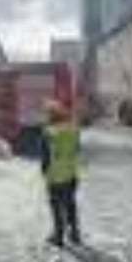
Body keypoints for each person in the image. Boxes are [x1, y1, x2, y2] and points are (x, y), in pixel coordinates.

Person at [41, 100, 81, 247]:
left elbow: (44, 157)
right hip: (71, 173)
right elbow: (77, 150)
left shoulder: (48, 132)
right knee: (70, 204)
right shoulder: (74, 129)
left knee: (56, 206)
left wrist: (45, 172)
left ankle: (58, 237)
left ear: (50, 116)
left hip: (55, 175)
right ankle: (75, 234)